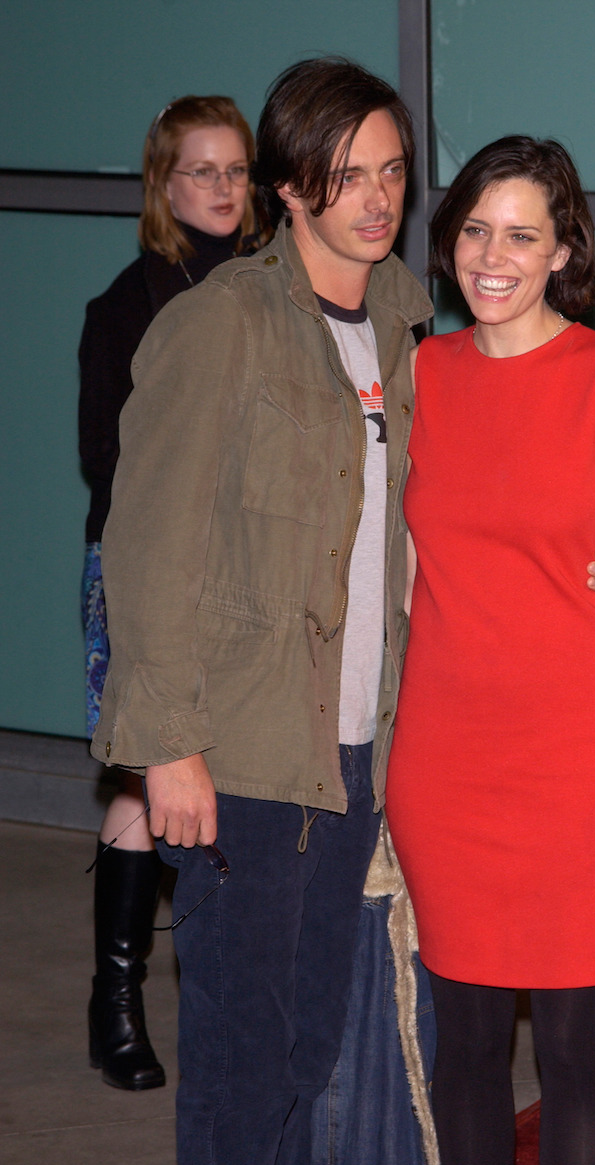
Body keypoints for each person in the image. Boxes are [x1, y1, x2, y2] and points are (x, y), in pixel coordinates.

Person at [91, 63, 595, 1165]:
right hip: (246, 759)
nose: (377, 200)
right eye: (346, 177)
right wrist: (163, 745)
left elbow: (469, 504)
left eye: (391, 172)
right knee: (243, 1069)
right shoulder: (221, 324)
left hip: (362, 761)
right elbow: (146, 549)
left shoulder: (402, 322)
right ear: (289, 186)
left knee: (311, 1051)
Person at [385, 135, 595, 1165]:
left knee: (570, 1050)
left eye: (520, 235)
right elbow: (404, 572)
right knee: (461, 1042)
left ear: (563, 252)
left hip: (572, 754)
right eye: (472, 230)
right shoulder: (422, 373)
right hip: (445, 759)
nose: (490, 258)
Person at [79, 93, 263, 1092]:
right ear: (164, 182)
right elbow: (103, 466)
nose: (223, 188)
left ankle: (223, 1003)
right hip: (145, 576)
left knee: (235, 786)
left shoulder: (278, 293)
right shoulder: (126, 305)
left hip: (253, 582)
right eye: (203, 170)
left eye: (236, 170)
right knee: (146, 781)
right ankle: (115, 999)